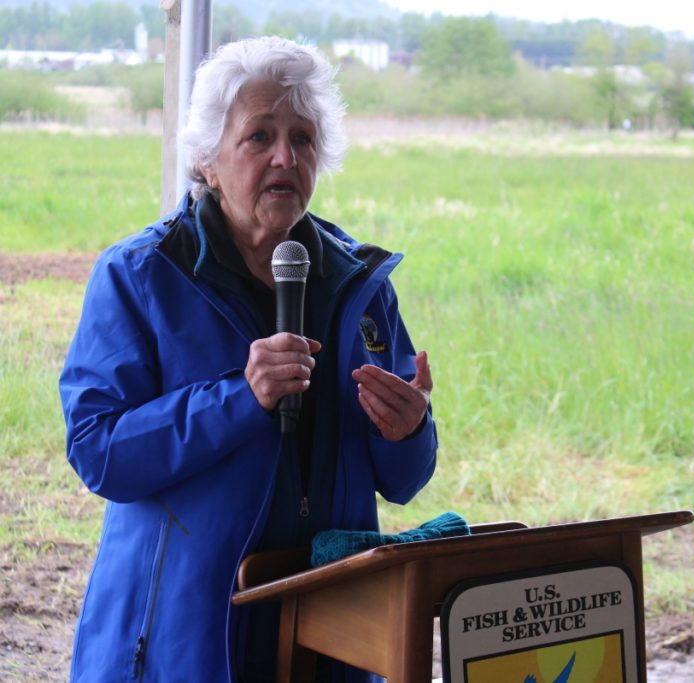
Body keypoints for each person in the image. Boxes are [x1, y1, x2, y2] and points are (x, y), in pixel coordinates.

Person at [59, 36, 437, 683]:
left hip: (333, 633)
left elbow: (402, 479)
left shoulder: (359, 285)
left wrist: (409, 431)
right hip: (188, 637)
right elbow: (98, 449)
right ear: (207, 160)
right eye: (259, 136)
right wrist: (240, 398)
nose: (285, 156)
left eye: (304, 137)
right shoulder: (140, 275)